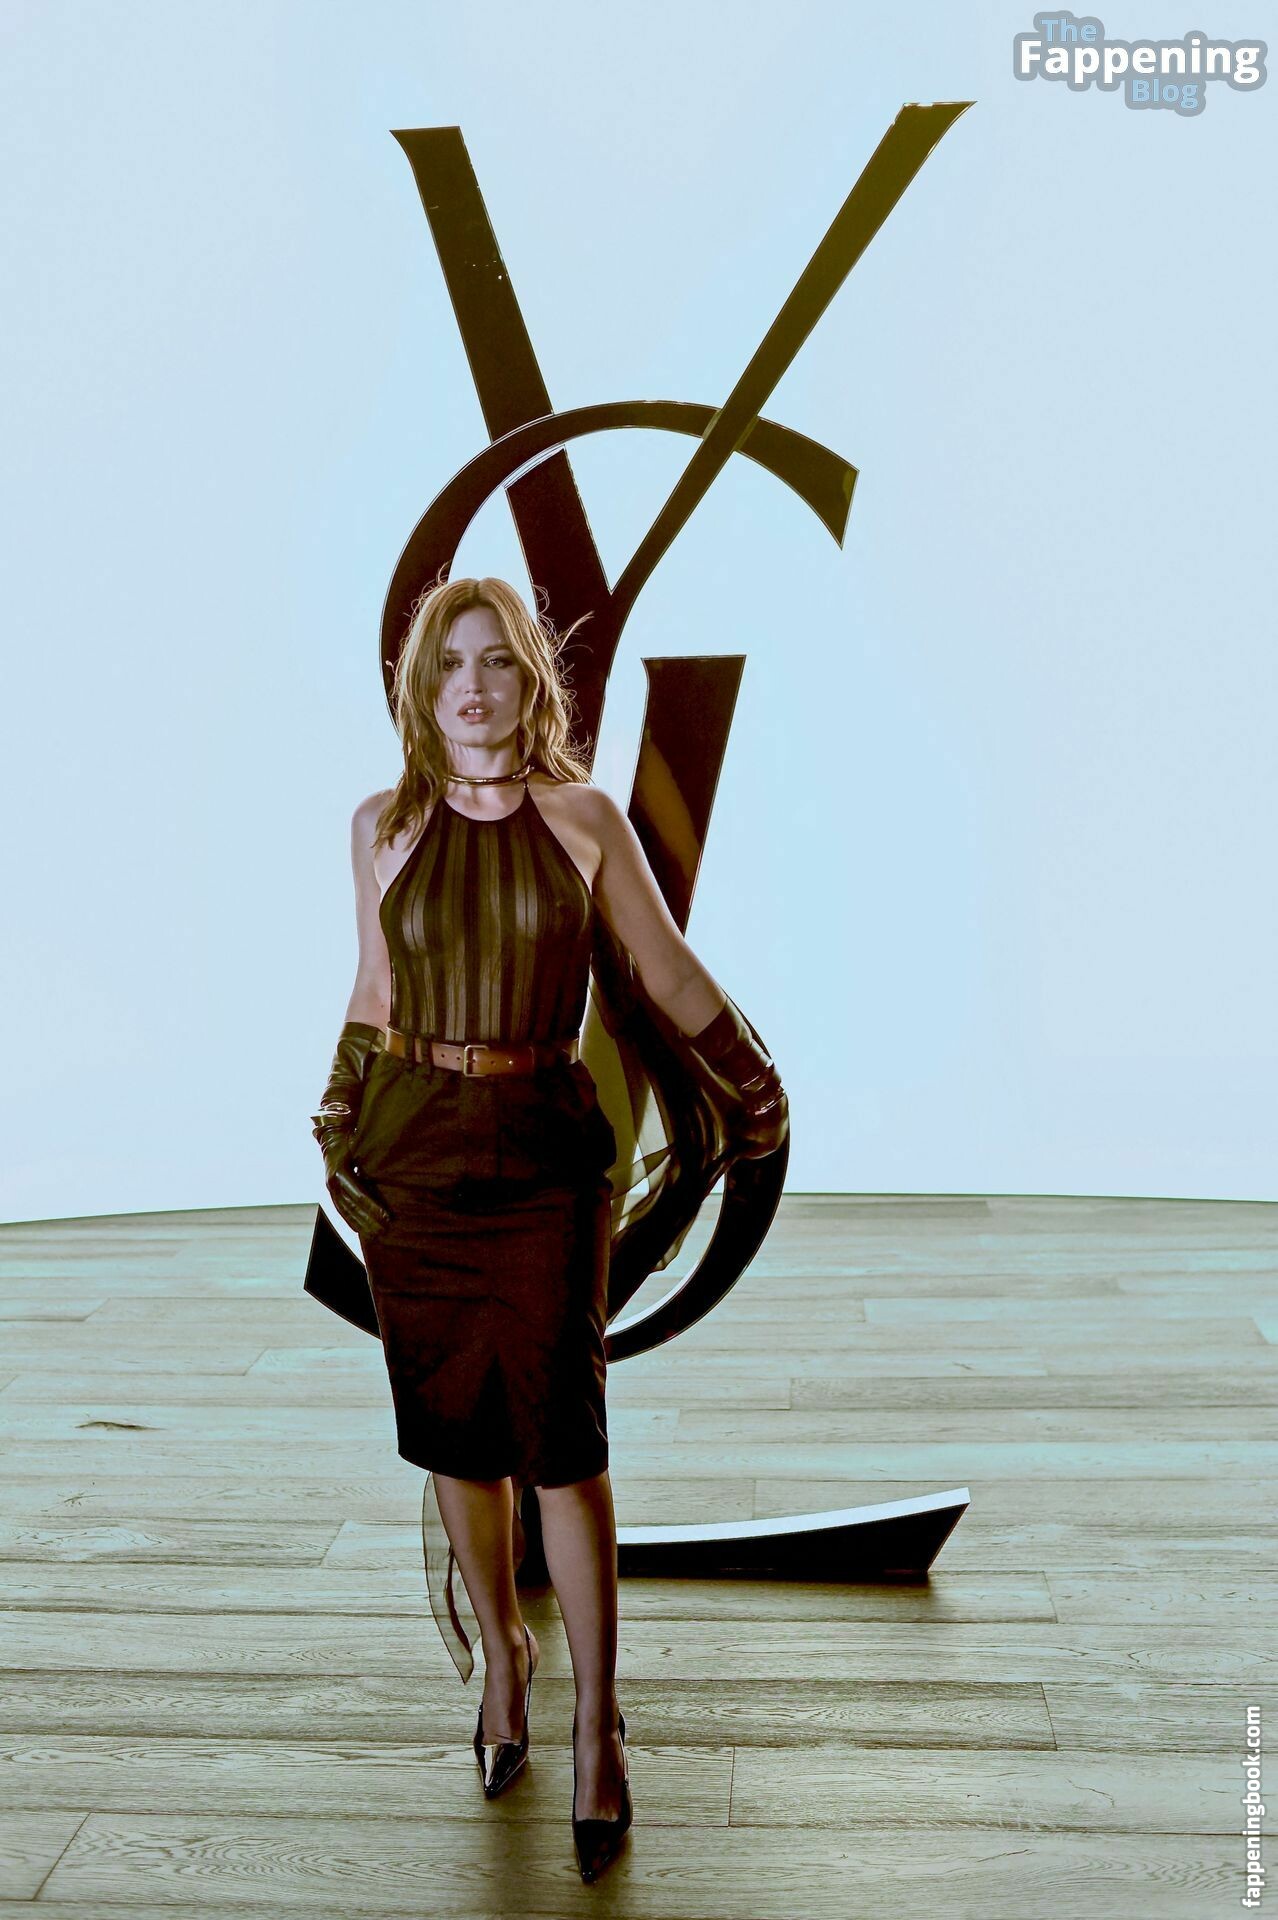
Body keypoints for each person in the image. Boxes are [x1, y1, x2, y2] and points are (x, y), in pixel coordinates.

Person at [310, 574, 787, 1882]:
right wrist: (338, 1112)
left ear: (531, 683)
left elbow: (664, 966)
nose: (472, 685)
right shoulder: (379, 825)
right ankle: (505, 1662)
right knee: (455, 1441)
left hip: (544, 1162)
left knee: (566, 1450)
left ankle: (598, 1723)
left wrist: (752, 1082)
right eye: (449, 664)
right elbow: (376, 984)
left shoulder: (583, 820)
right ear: (421, 691)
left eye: (497, 661)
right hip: (412, 1153)